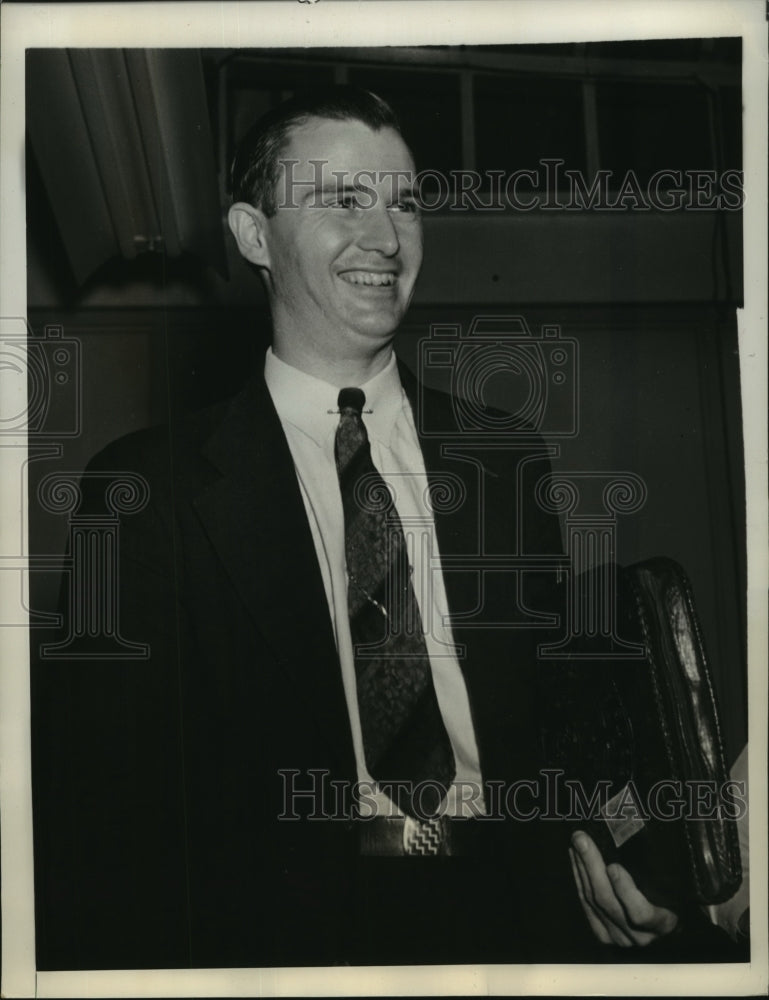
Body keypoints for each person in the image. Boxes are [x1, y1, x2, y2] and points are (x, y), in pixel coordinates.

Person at [32, 86, 737, 970]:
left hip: (517, 910)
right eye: (343, 201)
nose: (386, 236)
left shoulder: (504, 455)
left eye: (404, 201)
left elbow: (566, 719)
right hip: (280, 938)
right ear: (254, 235)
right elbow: (98, 816)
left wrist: (634, 863)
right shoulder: (145, 488)